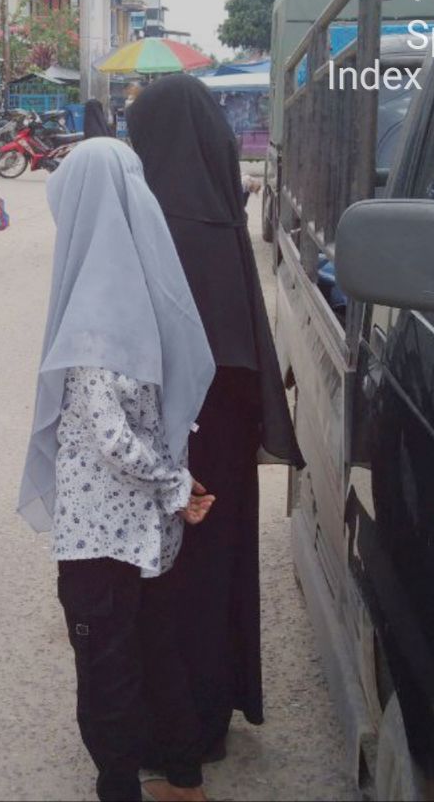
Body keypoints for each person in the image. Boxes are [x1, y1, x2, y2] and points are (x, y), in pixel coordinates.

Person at [18, 138, 219, 802]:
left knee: (106, 671)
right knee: (157, 650)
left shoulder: (92, 315)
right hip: (151, 531)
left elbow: (107, 435)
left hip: (100, 538)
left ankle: (119, 788)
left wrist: (169, 483)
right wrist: (175, 483)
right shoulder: (152, 291)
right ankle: (184, 777)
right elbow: (168, 409)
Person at [128, 74, 303, 763]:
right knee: (218, 574)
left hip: (163, 439)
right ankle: (209, 717)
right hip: (223, 436)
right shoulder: (221, 220)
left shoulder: (153, 226)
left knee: (160, 584)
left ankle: (167, 731)